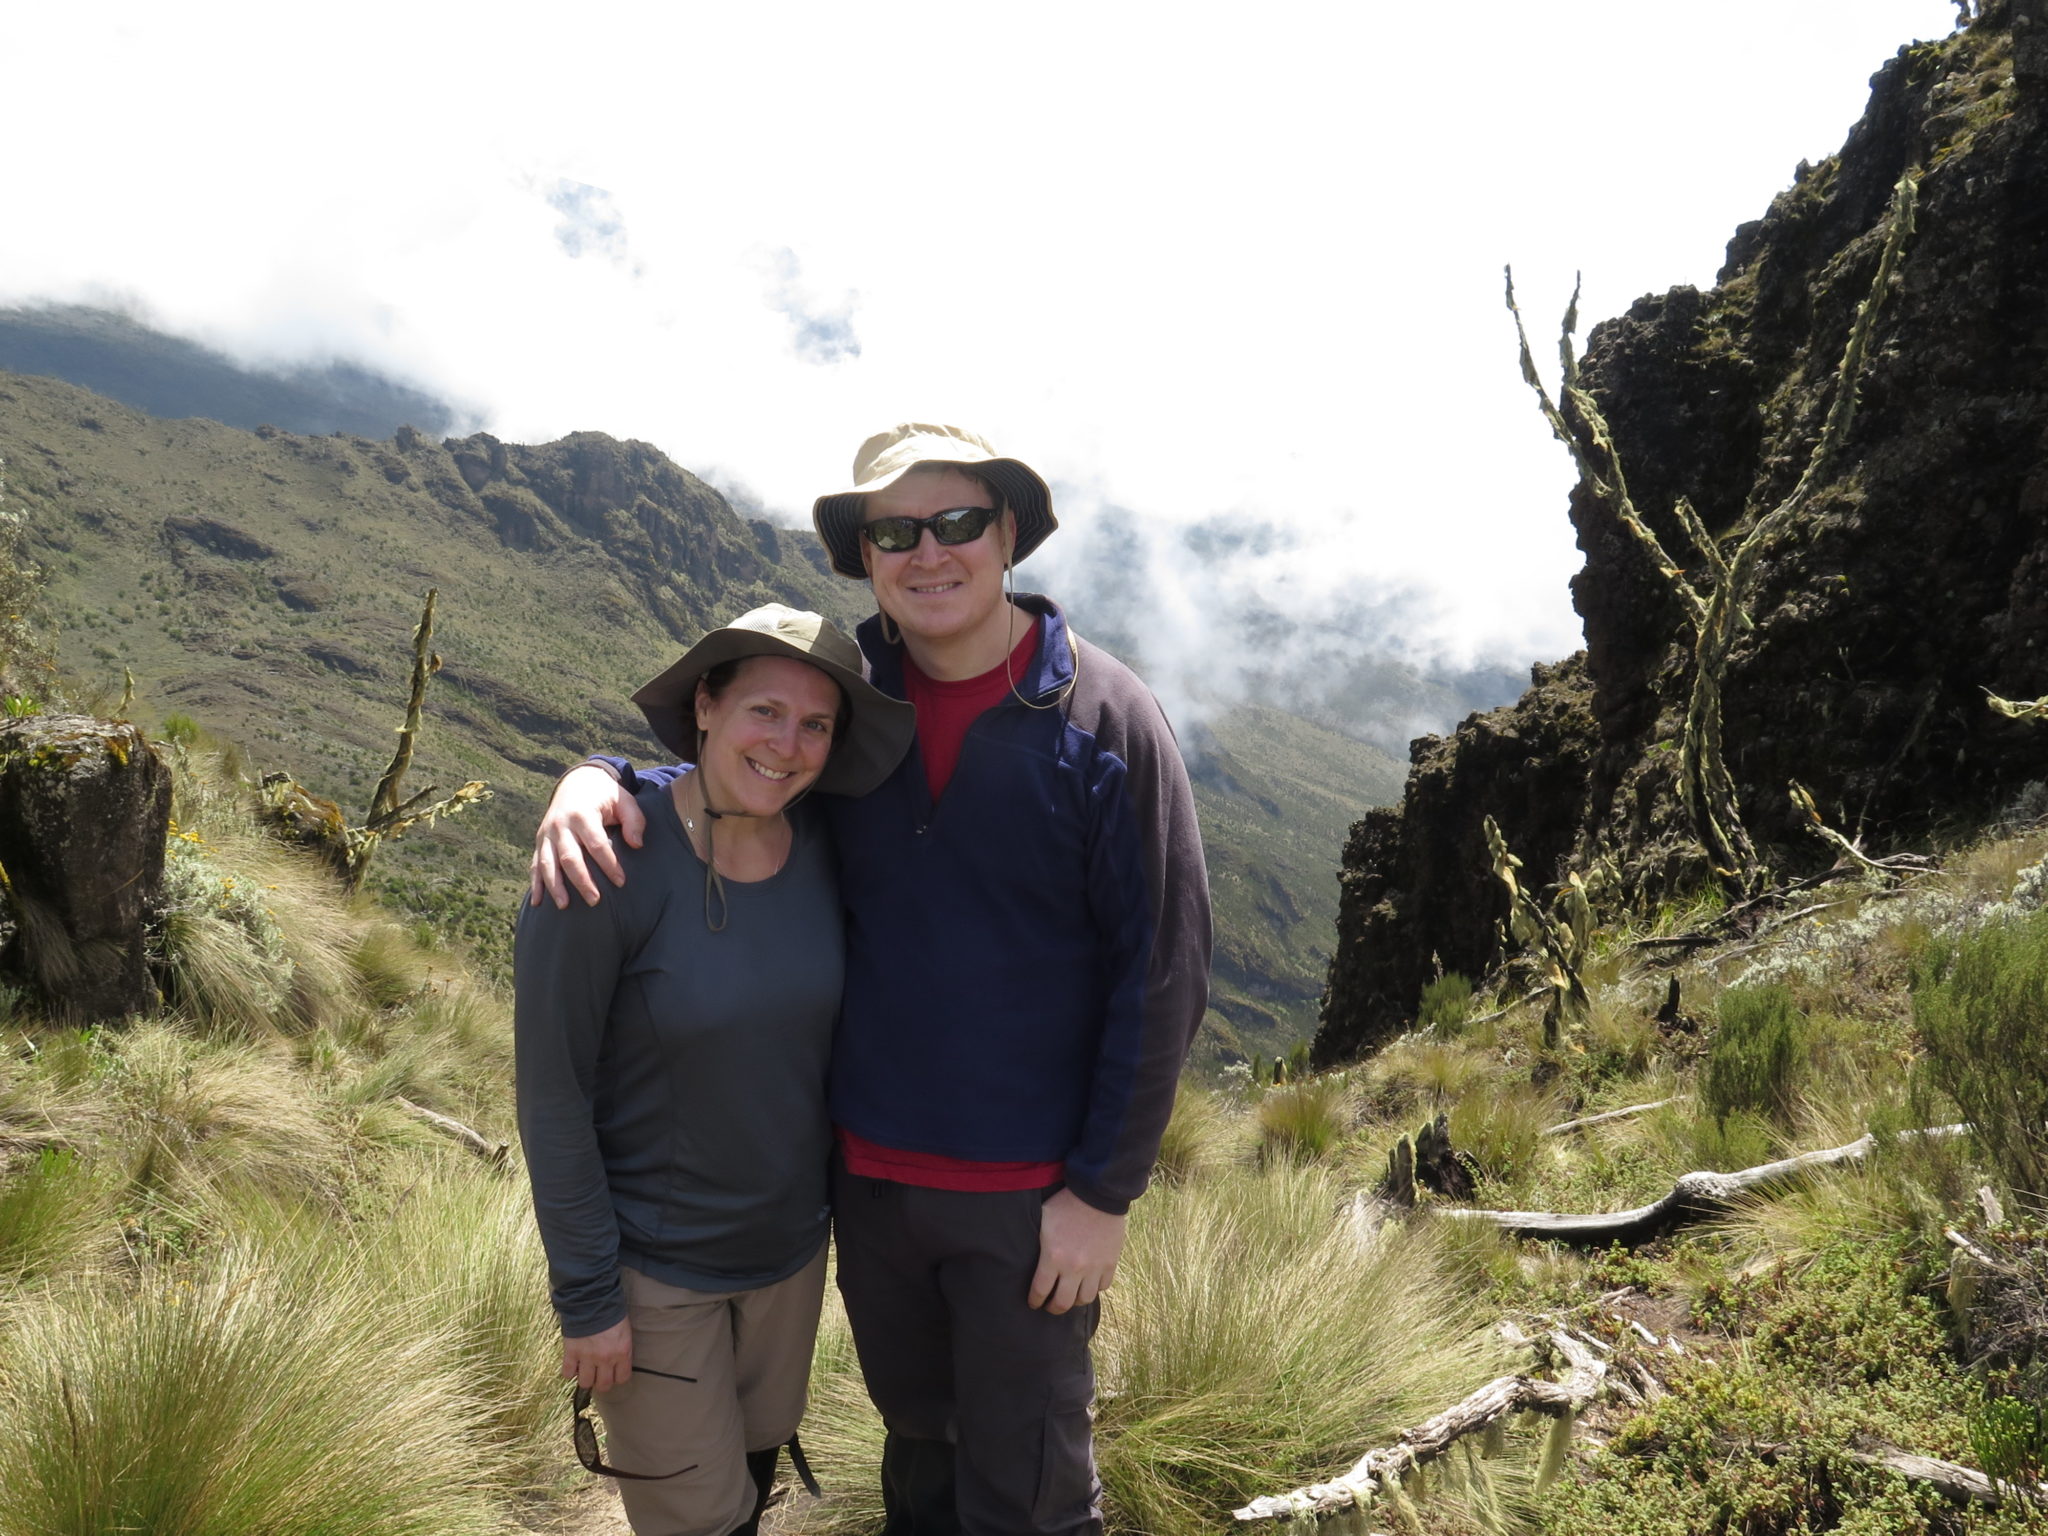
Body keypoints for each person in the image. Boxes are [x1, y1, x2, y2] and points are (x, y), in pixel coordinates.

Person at [531, 424, 1213, 1536]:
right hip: (865, 1192)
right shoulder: (851, 691)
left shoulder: (1100, 719)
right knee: (922, 1449)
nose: (926, 553)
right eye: (895, 530)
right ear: (866, 555)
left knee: (1032, 1484)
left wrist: (1102, 1192)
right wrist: (598, 776)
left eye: (954, 524)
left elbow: (1165, 970)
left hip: (1028, 1199)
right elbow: (749, 766)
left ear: (1004, 536)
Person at [515, 603, 915, 1536]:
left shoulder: (826, 845)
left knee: (752, 1473)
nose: (788, 745)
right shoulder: (603, 864)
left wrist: (596, 766)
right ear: (706, 704)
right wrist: (586, 1299)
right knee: (702, 1521)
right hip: (656, 1279)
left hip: (788, 1261)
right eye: (764, 712)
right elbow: (552, 1095)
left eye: (817, 725)